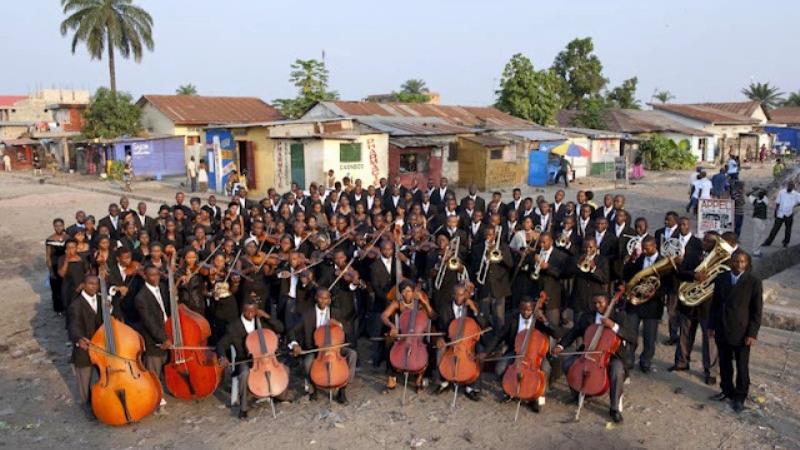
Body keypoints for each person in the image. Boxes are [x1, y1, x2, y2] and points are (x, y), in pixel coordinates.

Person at [554, 293, 636, 423]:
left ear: (608, 304)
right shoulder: (588, 316)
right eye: (595, 303)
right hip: (588, 353)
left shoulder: (620, 316)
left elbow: (632, 337)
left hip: (612, 354)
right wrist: (561, 345)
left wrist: (614, 326)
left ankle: (614, 408)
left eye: (600, 303)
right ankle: (577, 393)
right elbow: (574, 331)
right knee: (568, 363)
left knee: (616, 370)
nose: (597, 306)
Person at [481, 296, 564, 412]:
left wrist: (545, 320)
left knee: (545, 369)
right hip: (516, 352)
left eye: (529, 310)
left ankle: (540, 398)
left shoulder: (539, 321)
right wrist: (486, 352)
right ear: (519, 308)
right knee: (500, 368)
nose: (526, 312)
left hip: (536, 355)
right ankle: (510, 391)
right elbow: (498, 337)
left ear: (534, 308)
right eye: (523, 309)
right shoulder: (512, 319)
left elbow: (557, 334)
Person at [708, 251, 762, 413]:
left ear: (747, 263)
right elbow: (715, 304)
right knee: (724, 363)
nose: (739, 265)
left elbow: (756, 311)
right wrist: (711, 326)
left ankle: (740, 396)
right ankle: (726, 390)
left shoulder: (753, 282)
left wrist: (752, 334)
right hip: (722, 327)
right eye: (736, 261)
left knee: (741, 366)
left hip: (742, 331)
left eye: (743, 262)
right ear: (731, 262)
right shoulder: (722, 278)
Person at [216, 297, 288, 419]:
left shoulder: (262, 322)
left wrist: (267, 316)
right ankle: (243, 408)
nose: (250, 314)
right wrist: (222, 356)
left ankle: (279, 396)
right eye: (247, 311)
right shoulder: (233, 327)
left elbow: (280, 328)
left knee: (285, 369)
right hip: (245, 360)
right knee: (244, 374)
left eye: (253, 311)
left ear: (257, 311)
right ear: (242, 310)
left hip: (266, 359)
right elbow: (221, 344)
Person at [288, 288, 357, 405]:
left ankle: (342, 389)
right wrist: (295, 344)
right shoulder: (307, 314)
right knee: (307, 363)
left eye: (326, 298)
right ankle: (313, 388)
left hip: (335, 348)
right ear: (316, 298)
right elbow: (292, 331)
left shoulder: (336, 312)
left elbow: (348, 328)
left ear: (329, 300)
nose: (323, 301)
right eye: (320, 298)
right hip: (315, 349)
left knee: (352, 354)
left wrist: (339, 324)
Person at [68, 275, 121, 419]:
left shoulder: (101, 300)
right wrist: (79, 338)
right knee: (85, 381)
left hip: (101, 347)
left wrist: (109, 311)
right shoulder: (76, 305)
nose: (94, 287)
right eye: (90, 284)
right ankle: (87, 406)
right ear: (84, 285)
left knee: (102, 378)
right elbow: (73, 325)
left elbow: (107, 321)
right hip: (84, 349)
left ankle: (104, 403)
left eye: (96, 284)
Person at [762, 181, 800, 248]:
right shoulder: (781, 192)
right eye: (789, 186)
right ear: (787, 186)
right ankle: (768, 242)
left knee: (788, 230)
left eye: (791, 187)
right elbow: (778, 203)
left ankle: (785, 242)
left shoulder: (796, 194)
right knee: (775, 229)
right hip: (780, 213)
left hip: (789, 213)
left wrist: (795, 205)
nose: (789, 188)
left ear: (793, 187)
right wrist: (775, 212)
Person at [747, 187, 768, 256]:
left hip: (757, 219)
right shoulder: (765, 200)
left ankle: (756, 250)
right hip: (760, 220)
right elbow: (765, 192)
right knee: (760, 236)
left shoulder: (755, 200)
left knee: (758, 235)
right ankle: (756, 251)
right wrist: (757, 189)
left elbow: (748, 194)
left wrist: (754, 190)